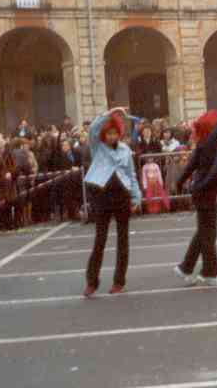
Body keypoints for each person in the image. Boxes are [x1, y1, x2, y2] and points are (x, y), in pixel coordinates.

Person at [174, 107, 217, 287]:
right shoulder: (210, 143)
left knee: (204, 233)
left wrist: (179, 183)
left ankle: (186, 267)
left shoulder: (204, 144)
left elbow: (189, 167)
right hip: (204, 193)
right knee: (209, 234)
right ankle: (209, 273)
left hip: (204, 192)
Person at [83, 107, 142, 298]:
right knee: (100, 240)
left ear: (119, 133)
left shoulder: (126, 150)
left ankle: (119, 281)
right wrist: (111, 113)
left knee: (123, 240)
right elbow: (92, 129)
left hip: (122, 195)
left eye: (114, 133)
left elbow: (131, 174)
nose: (111, 136)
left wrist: (136, 196)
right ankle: (92, 282)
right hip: (102, 196)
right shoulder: (97, 146)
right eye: (108, 133)